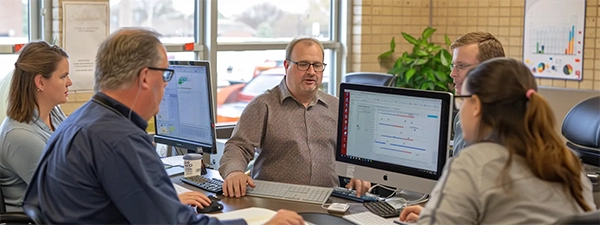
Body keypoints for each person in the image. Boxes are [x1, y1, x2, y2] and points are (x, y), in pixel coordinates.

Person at [23, 28, 304, 225]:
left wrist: (160, 202)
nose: (166, 84)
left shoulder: (77, 121)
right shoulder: (121, 140)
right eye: (165, 73)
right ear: (145, 77)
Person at [398, 58, 595, 224]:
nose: (460, 108)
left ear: (475, 105)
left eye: (462, 100)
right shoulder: (567, 161)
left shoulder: (474, 162)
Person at [219, 37, 370, 198]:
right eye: (303, 64)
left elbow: (352, 152)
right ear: (286, 66)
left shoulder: (336, 106)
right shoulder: (263, 105)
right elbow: (237, 147)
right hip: (274, 203)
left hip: (327, 202)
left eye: (317, 65)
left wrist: (359, 172)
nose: (311, 72)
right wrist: (234, 172)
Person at [0, 41, 71, 212]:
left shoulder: (53, 113)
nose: (69, 82)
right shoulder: (19, 135)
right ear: (40, 82)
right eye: (63, 76)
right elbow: (63, 192)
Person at [449, 31, 505, 156]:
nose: (453, 73)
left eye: (461, 66)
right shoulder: (463, 116)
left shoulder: (503, 125)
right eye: (453, 65)